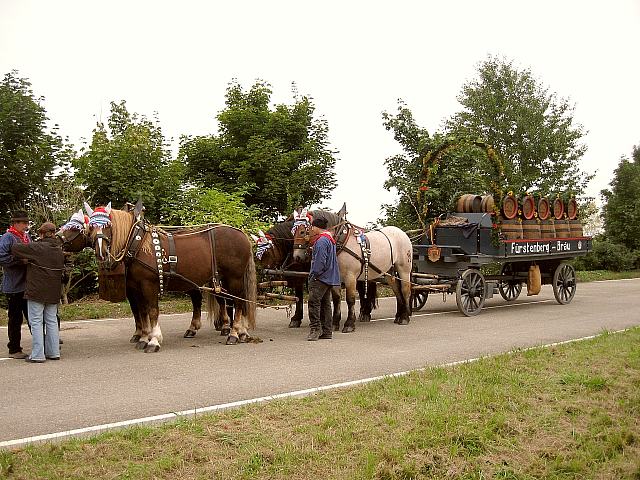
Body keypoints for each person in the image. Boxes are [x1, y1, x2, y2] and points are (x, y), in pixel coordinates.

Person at [11, 222, 64, 362]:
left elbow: (15, 249)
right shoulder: (59, 250)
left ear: (41, 234)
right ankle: (53, 352)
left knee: (36, 322)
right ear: (54, 233)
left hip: (36, 291)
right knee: (51, 321)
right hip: (53, 291)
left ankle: (38, 355)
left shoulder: (37, 247)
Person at [0, 210, 31, 359]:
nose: (26, 225)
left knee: (32, 317)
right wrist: (20, 261)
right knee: (15, 319)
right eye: (24, 223)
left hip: (27, 285)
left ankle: (41, 345)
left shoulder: (26, 237)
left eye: (27, 223)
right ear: (16, 223)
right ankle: (14, 349)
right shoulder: (8, 237)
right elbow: (2, 257)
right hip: (13, 285)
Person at [306, 216, 341, 341]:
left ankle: (315, 330)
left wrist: (314, 274)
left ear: (316, 227)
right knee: (326, 304)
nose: (311, 229)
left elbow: (320, 261)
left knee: (313, 303)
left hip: (321, 277)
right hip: (330, 277)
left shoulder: (321, 241)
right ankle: (327, 331)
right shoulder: (329, 239)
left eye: (312, 226)